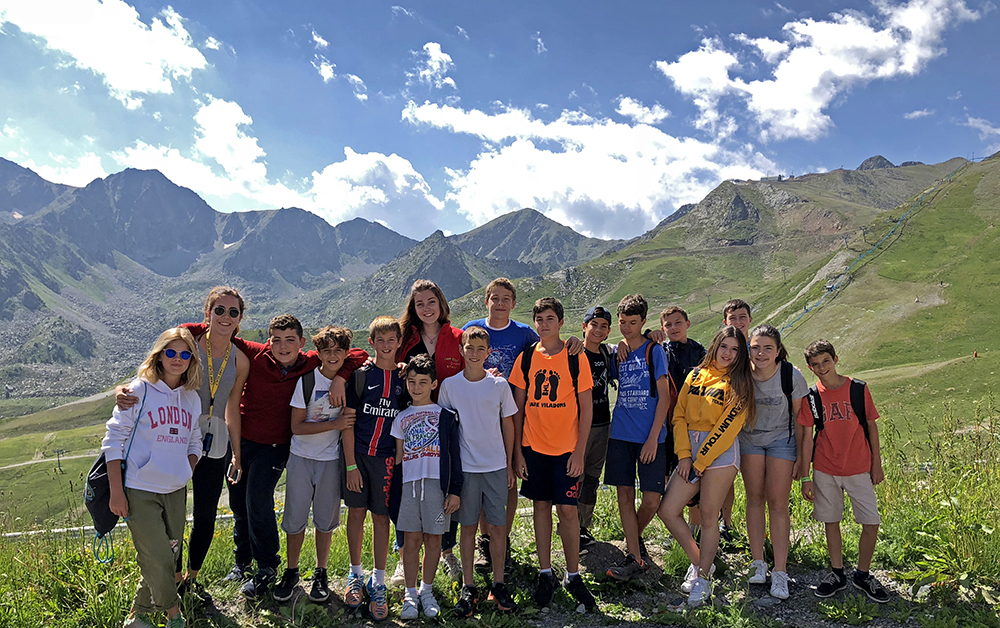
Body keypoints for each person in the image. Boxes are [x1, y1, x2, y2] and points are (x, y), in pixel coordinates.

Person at [115, 287, 250, 592]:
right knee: (170, 511)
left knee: (206, 513)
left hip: (215, 440)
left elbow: (233, 407)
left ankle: (193, 576)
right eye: (219, 310)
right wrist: (121, 390)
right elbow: (154, 372)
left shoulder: (240, 360)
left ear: (240, 318)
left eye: (233, 312)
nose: (225, 317)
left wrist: (236, 454)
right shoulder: (188, 345)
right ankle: (172, 575)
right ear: (207, 312)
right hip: (175, 434)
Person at [104, 328, 203, 628]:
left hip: (175, 490)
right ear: (159, 355)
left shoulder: (191, 398)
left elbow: (195, 440)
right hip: (139, 489)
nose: (177, 359)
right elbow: (113, 440)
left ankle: (139, 616)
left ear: (191, 360)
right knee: (159, 556)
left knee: (168, 555)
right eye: (170, 352)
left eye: (184, 354)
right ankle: (174, 616)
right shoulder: (139, 390)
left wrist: (186, 467)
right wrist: (116, 491)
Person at [657, 326, 755, 607]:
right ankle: (702, 561)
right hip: (691, 449)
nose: (728, 353)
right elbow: (678, 415)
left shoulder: (740, 382)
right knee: (668, 510)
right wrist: (685, 456)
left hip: (721, 454)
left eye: (736, 350)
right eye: (725, 346)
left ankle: (702, 578)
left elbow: (727, 427)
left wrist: (701, 462)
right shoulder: (695, 374)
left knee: (710, 515)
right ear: (715, 345)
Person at [510, 297, 597, 612]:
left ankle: (573, 575)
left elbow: (586, 408)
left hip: (566, 452)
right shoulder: (526, 358)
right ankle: (545, 572)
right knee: (541, 508)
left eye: (550, 318)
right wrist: (518, 452)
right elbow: (517, 408)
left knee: (568, 512)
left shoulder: (576, 358)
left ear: (561, 323)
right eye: (539, 319)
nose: (544, 324)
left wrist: (579, 451)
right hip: (534, 448)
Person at [798, 340, 889, 604]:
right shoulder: (812, 396)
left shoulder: (858, 389)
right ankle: (837, 573)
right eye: (815, 365)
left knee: (871, 521)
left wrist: (877, 464)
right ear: (809, 368)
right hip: (825, 468)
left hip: (859, 467)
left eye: (825, 361)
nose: (821, 367)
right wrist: (805, 476)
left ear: (835, 359)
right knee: (831, 520)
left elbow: (871, 427)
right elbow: (806, 437)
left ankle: (862, 574)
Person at [272, 326, 357, 603]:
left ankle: (321, 572)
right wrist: (334, 424)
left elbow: (362, 354)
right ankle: (292, 570)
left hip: (330, 460)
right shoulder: (306, 382)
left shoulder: (350, 380)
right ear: (317, 353)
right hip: (300, 458)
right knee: (295, 519)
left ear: (346, 353)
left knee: (325, 520)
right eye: (326, 351)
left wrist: (341, 379)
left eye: (338, 351)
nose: (333, 356)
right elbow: (296, 427)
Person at [438, 326, 519, 617]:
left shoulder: (498, 386)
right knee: (468, 528)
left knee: (498, 528)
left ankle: (498, 583)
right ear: (461, 350)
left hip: (496, 466)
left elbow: (508, 424)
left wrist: (509, 464)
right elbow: (446, 430)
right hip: (467, 470)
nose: (474, 354)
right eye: (469, 348)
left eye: (480, 349)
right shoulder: (450, 386)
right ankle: (469, 587)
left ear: (489, 352)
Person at [394, 279, 464, 582]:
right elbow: (382, 356)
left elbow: (474, 367)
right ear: (413, 308)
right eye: (419, 303)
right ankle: (403, 556)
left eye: (431, 302)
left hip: (447, 424)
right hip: (412, 426)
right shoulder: (405, 340)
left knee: (445, 486)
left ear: (441, 304)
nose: (426, 308)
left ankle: (447, 552)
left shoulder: (457, 336)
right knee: (407, 489)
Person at [343, 316, 408, 621]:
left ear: (399, 342)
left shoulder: (404, 380)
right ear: (371, 343)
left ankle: (378, 581)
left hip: (385, 460)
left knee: (382, 519)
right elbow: (347, 422)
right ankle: (355, 574)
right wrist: (351, 465)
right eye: (379, 341)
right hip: (358, 457)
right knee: (356, 513)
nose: (385, 346)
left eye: (391, 340)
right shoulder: (360, 376)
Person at [390, 354, 463, 619]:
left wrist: (455, 490)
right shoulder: (400, 418)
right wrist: (394, 494)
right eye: (412, 382)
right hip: (409, 487)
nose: (416, 387)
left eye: (423, 382)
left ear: (434, 384)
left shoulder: (446, 416)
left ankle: (427, 591)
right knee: (410, 541)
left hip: (437, 487)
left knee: (434, 540)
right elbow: (398, 461)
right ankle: (410, 594)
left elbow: (455, 456)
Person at [605, 295, 672, 581]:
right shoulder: (617, 352)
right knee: (624, 494)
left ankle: (633, 539)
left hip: (651, 436)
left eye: (633, 323)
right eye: (622, 322)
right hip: (620, 432)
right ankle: (634, 555)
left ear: (644, 322)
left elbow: (665, 396)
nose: (627, 328)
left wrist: (653, 437)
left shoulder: (654, 351)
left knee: (652, 500)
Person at [740, 325, 808, 600]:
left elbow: (802, 423)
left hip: (783, 440)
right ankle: (758, 563)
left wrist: (803, 460)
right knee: (754, 497)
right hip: (749, 441)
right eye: (755, 347)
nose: (761, 353)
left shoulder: (791, 376)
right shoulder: (742, 373)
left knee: (778, 502)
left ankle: (780, 571)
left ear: (779, 351)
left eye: (768, 347)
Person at [660, 306, 707, 537]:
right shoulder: (661, 350)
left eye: (678, 322)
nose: (673, 328)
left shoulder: (700, 351)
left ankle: (695, 531)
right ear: (662, 328)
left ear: (688, 323)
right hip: (669, 424)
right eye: (668, 325)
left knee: (694, 479)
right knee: (670, 477)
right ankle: (674, 533)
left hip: (693, 425)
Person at [577, 306, 616, 554]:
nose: (598, 330)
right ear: (584, 327)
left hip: (603, 423)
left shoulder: (606, 351)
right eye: (594, 324)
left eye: (603, 326)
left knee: (591, 478)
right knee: (575, 477)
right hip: (579, 425)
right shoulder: (574, 352)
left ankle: (583, 527)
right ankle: (570, 526)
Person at [718, 298, 754, 541]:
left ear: (750, 320)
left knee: (754, 482)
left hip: (754, 423)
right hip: (727, 421)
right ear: (725, 322)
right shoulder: (724, 347)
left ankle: (757, 532)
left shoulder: (758, 347)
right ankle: (726, 524)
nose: (738, 322)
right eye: (733, 318)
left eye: (742, 317)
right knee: (725, 478)